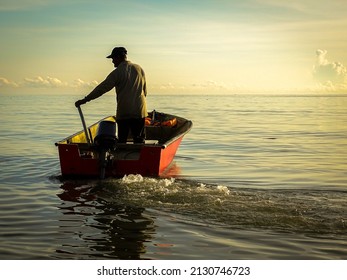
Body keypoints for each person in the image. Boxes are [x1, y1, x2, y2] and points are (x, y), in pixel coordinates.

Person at [75, 46, 148, 143]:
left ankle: (120, 157)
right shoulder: (139, 69)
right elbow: (145, 91)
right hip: (140, 111)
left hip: (124, 112)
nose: (112, 61)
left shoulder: (117, 72)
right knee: (139, 140)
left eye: (113, 58)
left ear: (118, 57)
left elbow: (102, 88)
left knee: (122, 141)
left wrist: (86, 99)